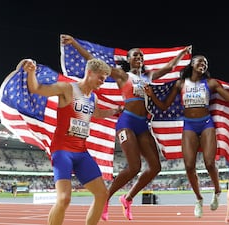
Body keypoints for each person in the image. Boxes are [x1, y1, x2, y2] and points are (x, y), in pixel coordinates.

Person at [61, 34, 192, 221]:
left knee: (155, 167)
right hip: (127, 122)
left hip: (142, 124)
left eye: (140, 56)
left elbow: (170, 67)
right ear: (128, 60)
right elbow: (94, 61)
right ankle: (105, 198)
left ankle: (127, 198)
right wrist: (74, 44)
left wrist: (182, 53)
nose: (138, 57)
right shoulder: (123, 75)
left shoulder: (149, 77)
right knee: (134, 166)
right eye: (135, 55)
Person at [145, 54, 229, 218]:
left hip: (206, 124)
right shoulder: (181, 83)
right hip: (189, 125)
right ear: (192, 64)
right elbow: (163, 106)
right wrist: (150, 94)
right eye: (200, 62)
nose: (203, 64)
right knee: (189, 166)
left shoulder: (211, 83)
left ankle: (217, 190)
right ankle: (198, 199)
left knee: (210, 163)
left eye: (205, 63)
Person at [23, 58, 118, 225]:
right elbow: (36, 88)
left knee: (102, 194)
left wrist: (115, 110)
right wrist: (31, 72)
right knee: (64, 198)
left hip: (81, 151)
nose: (103, 82)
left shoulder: (93, 97)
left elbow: (96, 114)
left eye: (105, 78)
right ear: (89, 73)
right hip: (62, 150)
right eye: (101, 77)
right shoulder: (67, 89)